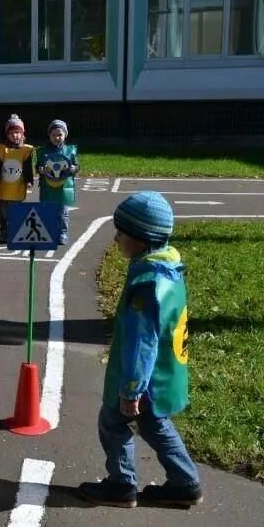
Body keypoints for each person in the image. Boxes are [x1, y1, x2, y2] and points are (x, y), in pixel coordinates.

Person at [78, 192, 203, 509]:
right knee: (157, 426)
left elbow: (141, 344)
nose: (117, 237)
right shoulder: (169, 267)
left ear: (142, 239)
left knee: (113, 423)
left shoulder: (145, 288)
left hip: (144, 380)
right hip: (165, 374)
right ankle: (185, 483)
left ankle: (121, 485)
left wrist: (131, 390)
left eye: (122, 232)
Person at [36, 119, 80, 245]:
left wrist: (74, 168)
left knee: (63, 212)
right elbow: (38, 167)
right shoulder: (43, 152)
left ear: (65, 135)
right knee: (47, 210)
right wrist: (40, 170)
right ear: (49, 135)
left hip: (64, 187)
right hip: (47, 187)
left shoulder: (70, 150)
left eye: (59, 135)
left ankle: (62, 233)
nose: (57, 137)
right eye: (53, 135)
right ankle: (48, 231)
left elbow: (76, 166)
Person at [0, 114, 34, 242]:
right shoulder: (1, 149)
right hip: (3, 186)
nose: (15, 135)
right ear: (7, 134)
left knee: (16, 210)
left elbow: (27, 168)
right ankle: (4, 231)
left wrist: (29, 181)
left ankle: (15, 230)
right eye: (12, 133)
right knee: (3, 211)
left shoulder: (26, 150)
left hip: (17, 186)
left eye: (17, 132)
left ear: (22, 134)